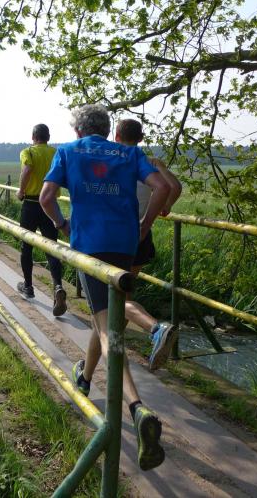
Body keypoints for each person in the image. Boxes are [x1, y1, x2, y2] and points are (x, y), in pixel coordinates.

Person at [39, 104, 170, 471]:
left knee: (108, 329)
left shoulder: (68, 151)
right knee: (108, 321)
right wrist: (144, 225)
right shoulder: (129, 153)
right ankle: (85, 377)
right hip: (125, 244)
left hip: (90, 246)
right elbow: (162, 187)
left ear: (79, 131)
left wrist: (62, 226)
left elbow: (46, 198)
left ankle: (136, 408)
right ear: (107, 128)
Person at [110, 118, 183, 371]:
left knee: (113, 297)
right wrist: (165, 206)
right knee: (125, 292)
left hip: (115, 235)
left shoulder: (114, 159)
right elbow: (174, 186)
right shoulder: (148, 163)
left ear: (116, 136)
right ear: (141, 138)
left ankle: (156, 328)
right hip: (142, 234)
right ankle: (116, 341)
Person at [15, 124, 67, 316]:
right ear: (48, 137)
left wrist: (21, 191)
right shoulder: (56, 152)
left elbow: (27, 169)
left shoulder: (28, 152)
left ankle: (28, 286)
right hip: (50, 204)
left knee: (26, 246)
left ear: (33, 137)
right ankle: (58, 286)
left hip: (30, 204)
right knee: (51, 247)